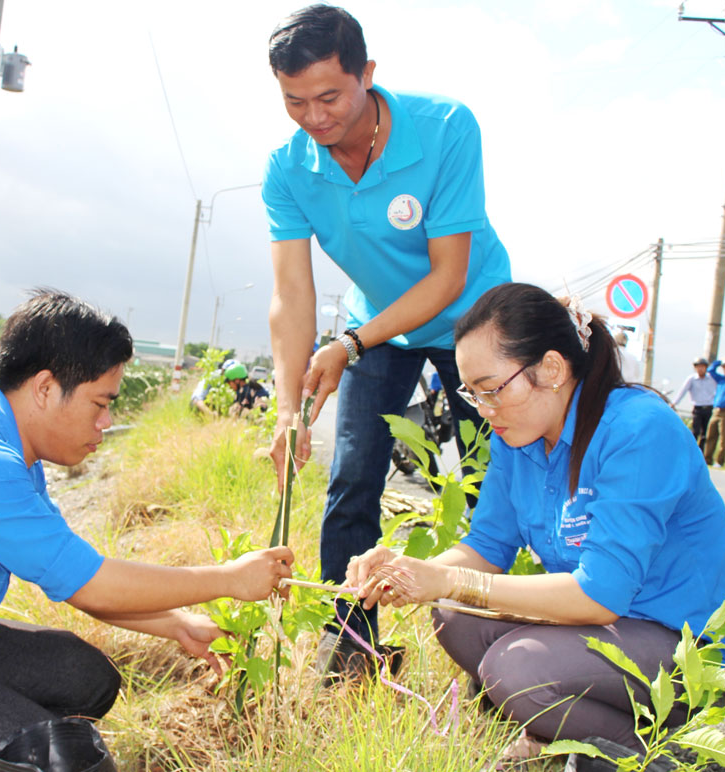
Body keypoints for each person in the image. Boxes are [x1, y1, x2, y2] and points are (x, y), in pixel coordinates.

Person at [0, 291, 294, 772]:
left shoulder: (10, 449)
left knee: (85, 678)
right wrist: (230, 578)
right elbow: (90, 583)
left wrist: (177, 624)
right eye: (100, 403)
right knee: (71, 762)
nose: (105, 423)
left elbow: (76, 579)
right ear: (44, 387)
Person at [346, 283, 725, 761]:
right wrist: (411, 571)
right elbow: (487, 545)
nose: (483, 409)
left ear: (552, 369)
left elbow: (599, 595)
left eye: (492, 389)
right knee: (453, 616)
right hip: (612, 629)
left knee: (514, 670)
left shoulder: (638, 430)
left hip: (688, 646)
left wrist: (449, 579)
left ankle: (667, 756)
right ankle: (565, 734)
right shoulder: (517, 439)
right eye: (472, 394)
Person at [261, 3, 511, 669]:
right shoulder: (288, 169)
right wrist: (289, 412)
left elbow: (447, 275)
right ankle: (349, 645)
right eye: (294, 102)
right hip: (379, 331)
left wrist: (347, 345)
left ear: (366, 74)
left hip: (470, 319)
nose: (315, 118)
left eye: (329, 96)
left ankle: (504, 645)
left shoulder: (445, 128)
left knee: (492, 480)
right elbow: (289, 295)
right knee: (351, 480)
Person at [674, 356, 715, 448]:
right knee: (695, 432)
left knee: (705, 433)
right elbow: (682, 391)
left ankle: (701, 454)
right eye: (698, 366)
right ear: (695, 368)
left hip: (708, 408)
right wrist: (674, 403)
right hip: (697, 409)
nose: (700, 369)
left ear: (706, 368)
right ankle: (691, 450)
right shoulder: (691, 379)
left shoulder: (711, 379)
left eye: (702, 366)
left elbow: (718, 391)